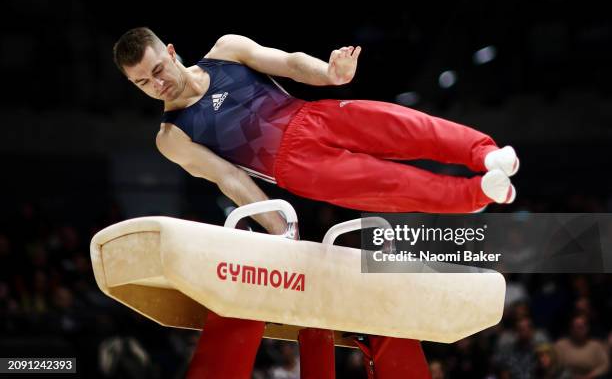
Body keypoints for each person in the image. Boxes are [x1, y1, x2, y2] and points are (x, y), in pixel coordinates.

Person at [112, 27, 521, 379]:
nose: (157, 84)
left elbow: (289, 63)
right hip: (298, 167)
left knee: (402, 125)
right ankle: (476, 194)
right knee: (390, 184)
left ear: (169, 51)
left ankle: (484, 155)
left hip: (312, 114)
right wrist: (280, 228)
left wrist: (329, 74)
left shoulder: (227, 50)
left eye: (157, 70)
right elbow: (229, 178)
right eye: (142, 83)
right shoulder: (173, 136)